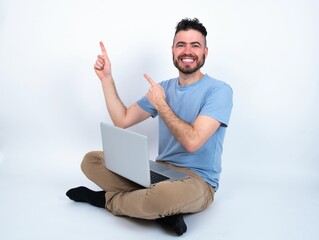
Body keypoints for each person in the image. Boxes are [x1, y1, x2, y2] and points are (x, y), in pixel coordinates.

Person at [66, 18, 233, 236]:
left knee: (163, 196)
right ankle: (163, 211)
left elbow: (193, 142)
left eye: (195, 45)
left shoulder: (219, 91)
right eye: (181, 45)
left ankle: (106, 199)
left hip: (198, 181)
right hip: (159, 171)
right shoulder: (162, 88)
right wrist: (106, 79)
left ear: (205, 52)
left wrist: (161, 104)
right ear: (173, 50)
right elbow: (122, 120)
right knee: (91, 160)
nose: (187, 51)